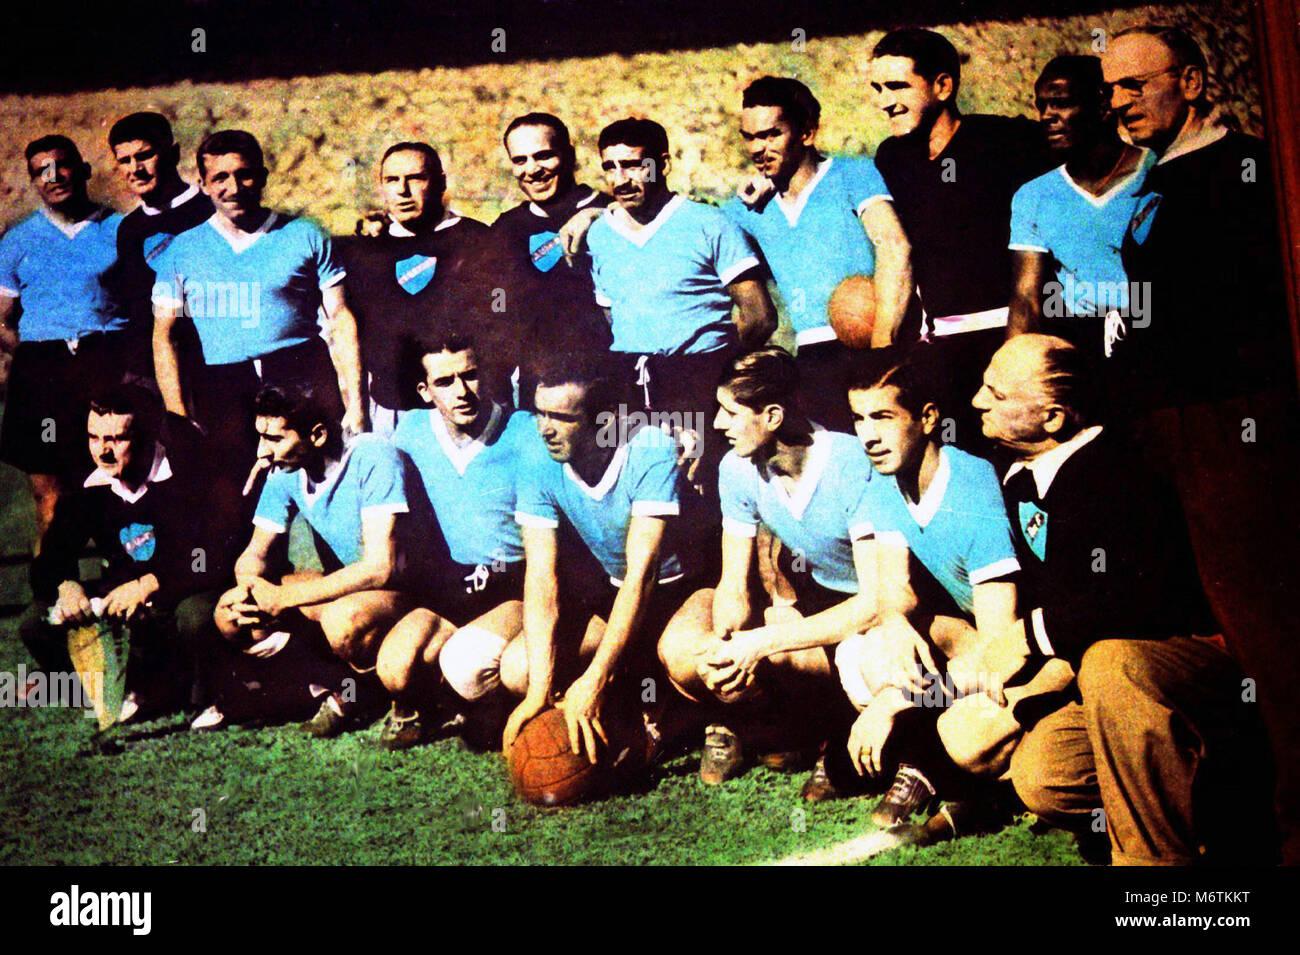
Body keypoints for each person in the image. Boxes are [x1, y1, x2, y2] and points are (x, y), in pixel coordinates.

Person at [1102, 24, 1300, 862]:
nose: (1119, 102)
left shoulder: (1245, 168)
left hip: (1235, 425)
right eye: (1110, 89)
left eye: (1135, 84)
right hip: (1169, 431)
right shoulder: (1152, 179)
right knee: (1211, 622)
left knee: (1274, 629)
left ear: (1190, 79)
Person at [966, 333, 1277, 865]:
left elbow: (1131, 596)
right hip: (1114, 690)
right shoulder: (1021, 478)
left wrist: (1029, 635)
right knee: (1046, 773)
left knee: (1113, 662)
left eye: (996, 394)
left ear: (1054, 419)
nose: (976, 401)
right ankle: (1213, 813)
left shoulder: (1115, 471)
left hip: (1182, 668)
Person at [834, 357, 1067, 836]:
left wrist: (893, 702)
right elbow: (895, 589)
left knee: (967, 736)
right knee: (872, 651)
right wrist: (896, 622)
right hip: (982, 640)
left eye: (882, 418)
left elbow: (1000, 651)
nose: (868, 436)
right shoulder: (886, 478)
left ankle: (971, 781)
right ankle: (931, 762)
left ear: (927, 418)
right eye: (858, 419)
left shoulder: (972, 493)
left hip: (1042, 651)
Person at [656, 348, 879, 786]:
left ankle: (811, 728)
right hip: (812, 600)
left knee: (776, 651)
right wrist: (724, 649)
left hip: (870, 611)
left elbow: (875, 602)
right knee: (684, 650)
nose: (718, 424)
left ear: (773, 415)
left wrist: (757, 644)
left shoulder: (852, 464)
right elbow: (733, 586)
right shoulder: (736, 469)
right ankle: (752, 722)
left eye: (729, 412)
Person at [499, 353, 698, 767]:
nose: (545, 428)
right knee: (521, 669)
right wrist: (540, 690)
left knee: (684, 655)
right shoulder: (538, 458)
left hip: (680, 589)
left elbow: (643, 573)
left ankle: (709, 717)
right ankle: (628, 702)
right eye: (539, 413)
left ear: (603, 420)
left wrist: (596, 676)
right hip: (615, 593)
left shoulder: (649, 447)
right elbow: (541, 579)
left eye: (561, 417)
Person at [212, 383, 435, 736]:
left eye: (274, 439)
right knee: (228, 614)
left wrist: (284, 597)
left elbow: (382, 568)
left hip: (409, 595)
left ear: (317, 435)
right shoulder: (285, 471)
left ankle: (375, 692)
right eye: (260, 437)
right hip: (350, 586)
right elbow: (254, 553)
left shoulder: (374, 456)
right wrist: (248, 590)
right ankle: (340, 686)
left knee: (342, 619)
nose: (262, 452)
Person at [150, 130, 365, 489]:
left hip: (301, 370)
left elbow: (341, 318)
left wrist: (356, 404)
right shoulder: (181, 250)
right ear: (202, 184)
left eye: (244, 174)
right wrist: (179, 416)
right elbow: (164, 335)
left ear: (263, 177)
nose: (233, 187)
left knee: (330, 488)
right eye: (220, 177)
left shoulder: (305, 234)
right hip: (224, 385)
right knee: (239, 502)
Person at [869, 29, 1051, 447]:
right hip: (936, 353)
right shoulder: (892, 158)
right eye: (878, 88)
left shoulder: (1006, 142)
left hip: (1008, 341)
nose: (885, 101)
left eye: (898, 86)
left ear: (943, 86)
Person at [585, 117, 777, 498]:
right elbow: (614, 318)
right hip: (632, 383)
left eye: (634, 165)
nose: (620, 179)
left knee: (704, 495)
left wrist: (714, 367)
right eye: (610, 167)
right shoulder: (600, 233)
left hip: (700, 378)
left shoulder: (708, 222)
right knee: (646, 498)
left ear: (663, 164)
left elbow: (759, 314)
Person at [20, 382, 229, 720]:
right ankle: (109, 691)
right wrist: (66, 586)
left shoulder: (185, 476)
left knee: (196, 617)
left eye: (116, 440)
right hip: (122, 598)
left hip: (182, 592)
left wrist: (148, 584)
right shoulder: (92, 486)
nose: (103, 451)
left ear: (146, 436)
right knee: (35, 621)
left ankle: (205, 693)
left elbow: (211, 556)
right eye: (94, 437)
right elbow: (49, 559)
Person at [723, 77, 912, 431]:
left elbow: (895, 245)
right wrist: (594, 213)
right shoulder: (744, 208)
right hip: (811, 358)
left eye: (771, 134)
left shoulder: (853, 173)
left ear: (807, 133)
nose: (758, 148)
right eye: (750, 137)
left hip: (876, 345)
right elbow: (690, 228)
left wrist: (882, 351)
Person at [377, 328, 533, 749]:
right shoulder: (409, 431)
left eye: (470, 375)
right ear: (425, 391)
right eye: (445, 382)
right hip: (449, 586)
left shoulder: (523, 431)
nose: (462, 391)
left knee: (465, 664)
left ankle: (499, 703)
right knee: (394, 668)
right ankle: (439, 703)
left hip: (511, 585)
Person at [0, 136, 135, 542]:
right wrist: (35, 359)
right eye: (42, 170)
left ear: (83, 170)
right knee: (50, 494)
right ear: (33, 181)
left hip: (105, 366)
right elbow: (1, 320)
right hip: (44, 377)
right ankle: (52, 595)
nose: (54, 176)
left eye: (62, 165)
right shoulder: (17, 241)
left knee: (117, 483)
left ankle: (122, 590)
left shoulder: (119, 230)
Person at [336, 141, 489, 433]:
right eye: (392, 180)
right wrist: (357, 407)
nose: (402, 190)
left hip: (466, 407)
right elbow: (348, 332)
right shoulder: (364, 252)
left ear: (441, 182)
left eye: (416, 178)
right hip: (391, 411)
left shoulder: (477, 239)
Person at [1007, 56, 1152, 355]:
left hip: (1154, 333)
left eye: (1061, 103)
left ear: (1102, 106)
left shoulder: (1156, 173)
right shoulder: (1034, 195)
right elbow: (1026, 300)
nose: (1048, 115)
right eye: (1042, 106)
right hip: (1081, 345)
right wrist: (1015, 368)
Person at [484, 112, 614, 404]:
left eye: (544, 156)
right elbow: (496, 306)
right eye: (520, 160)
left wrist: (606, 215)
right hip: (539, 391)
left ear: (569, 155)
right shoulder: (506, 229)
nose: (532, 170)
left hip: (609, 382)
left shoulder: (612, 211)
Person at [105, 112, 214, 363]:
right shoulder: (129, 229)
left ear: (173, 154)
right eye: (125, 160)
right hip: (159, 367)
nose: (135, 169)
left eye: (144, 156)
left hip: (217, 362)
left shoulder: (211, 209)